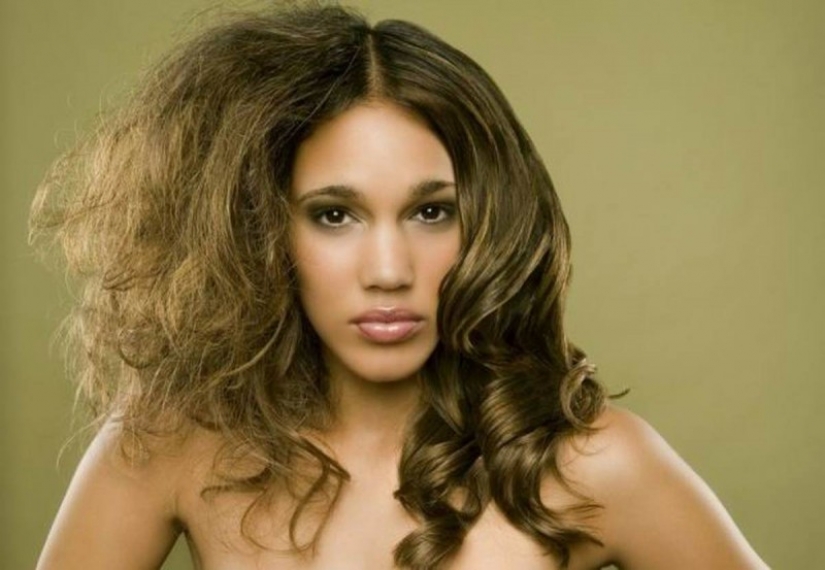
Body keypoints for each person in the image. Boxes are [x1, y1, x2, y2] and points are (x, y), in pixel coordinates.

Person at [31, 4, 768, 569]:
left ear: (488, 221)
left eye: (430, 212)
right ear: (260, 230)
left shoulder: (595, 465)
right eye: (334, 215)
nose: (388, 270)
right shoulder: (173, 441)